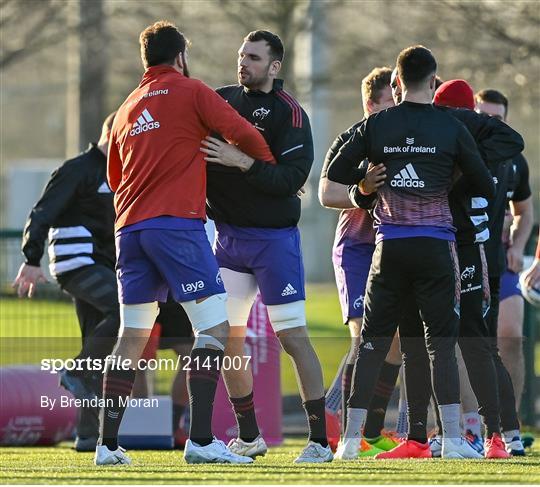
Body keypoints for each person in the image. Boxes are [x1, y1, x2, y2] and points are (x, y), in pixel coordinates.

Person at [95, 21, 275, 466]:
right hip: (176, 226)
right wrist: (270, 168)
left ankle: (107, 446)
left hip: (129, 230)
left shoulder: (126, 108)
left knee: (131, 336)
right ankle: (199, 440)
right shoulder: (192, 91)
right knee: (213, 328)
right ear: (180, 58)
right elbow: (242, 133)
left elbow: (113, 178)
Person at [327, 45, 495, 460]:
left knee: (372, 341)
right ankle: (453, 440)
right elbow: (485, 185)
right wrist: (448, 177)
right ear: (433, 83)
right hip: (437, 248)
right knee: (440, 342)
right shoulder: (451, 127)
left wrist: (362, 190)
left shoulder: (376, 126)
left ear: (397, 83)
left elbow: (334, 175)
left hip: (390, 250)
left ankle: (349, 442)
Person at [200, 30, 332, 463]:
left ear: (274, 67)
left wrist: (242, 161)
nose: (244, 63)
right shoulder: (219, 102)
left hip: (274, 242)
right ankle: (250, 435)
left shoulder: (291, 114)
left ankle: (318, 442)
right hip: (229, 241)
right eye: (241, 55)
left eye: (254, 57)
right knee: (228, 338)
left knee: (292, 336)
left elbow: (291, 182)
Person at [13, 112, 119, 452]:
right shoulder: (77, 169)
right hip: (77, 264)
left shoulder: (122, 172)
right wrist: (31, 259)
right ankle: (73, 371)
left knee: (96, 343)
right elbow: (42, 212)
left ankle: (87, 434)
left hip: (104, 266)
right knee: (123, 312)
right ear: (111, 132)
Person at [318, 66, 401, 455]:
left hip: (394, 248)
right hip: (356, 249)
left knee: (396, 343)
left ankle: (371, 431)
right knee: (365, 339)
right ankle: (341, 429)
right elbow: (326, 194)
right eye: (390, 101)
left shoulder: (407, 138)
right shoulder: (352, 141)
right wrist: (362, 190)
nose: (397, 107)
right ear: (371, 103)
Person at [475, 89, 534, 417]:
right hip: (466, 258)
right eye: (483, 116)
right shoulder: (460, 150)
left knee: (510, 335)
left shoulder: (514, 160)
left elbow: (525, 211)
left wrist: (519, 241)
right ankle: (465, 426)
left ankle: (508, 423)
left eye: (497, 118)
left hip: (501, 261)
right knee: (463, 343)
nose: (490, 123)